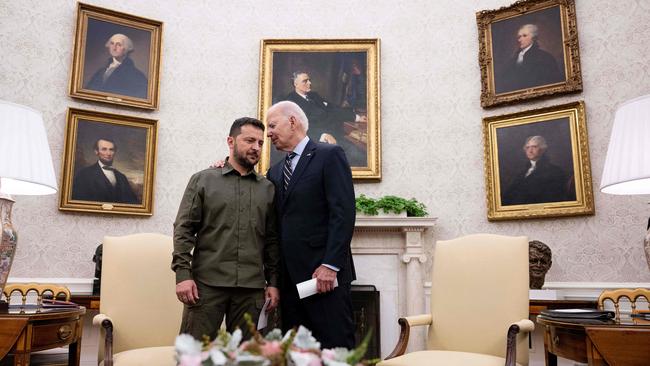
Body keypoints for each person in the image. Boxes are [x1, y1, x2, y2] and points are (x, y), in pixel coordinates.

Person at [172, 117, 280, 341]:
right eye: (249, 140)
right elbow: (184, 229)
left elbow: (272, 240)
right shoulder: (203, 180)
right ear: (230, 141)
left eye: (260, 143)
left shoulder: (268, 189)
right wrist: (183, 275)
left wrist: (274, 283)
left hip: (252, 290)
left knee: (247, 358)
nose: (256, 148)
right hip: (206, 286)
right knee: (195, 355)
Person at [266, 101, 356, 349]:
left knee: (335, 348)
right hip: (290, 283)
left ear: (292, 121)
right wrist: (224, 166)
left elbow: (343, 212)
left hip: (324, 277)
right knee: (298, 352)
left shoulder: (329, 155)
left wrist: (331, 264)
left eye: (272, 125)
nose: (268, 133)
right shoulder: (274, 172)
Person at [285, 71, 367, 147]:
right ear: (296, 84)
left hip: (336, 133)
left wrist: (356, 117)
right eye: (305, 81)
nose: (310, 83)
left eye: (309, 80)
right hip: (317, 140)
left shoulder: (313, 95)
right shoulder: (290, 102)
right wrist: (322, 135)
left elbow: (332, 108)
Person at [501, 135, 570, 206]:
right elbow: (509, 195)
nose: (530, 151)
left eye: (534, 147)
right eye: (527, 147)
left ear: (543, 149)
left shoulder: (555, 171)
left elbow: (552, 199)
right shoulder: (521, 173)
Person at [497, 24, 564, 93]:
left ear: (533, 38)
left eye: (524, 36)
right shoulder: (514, 59)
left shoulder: (544, 57)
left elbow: (552, 82)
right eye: (519, 37)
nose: (520, 39)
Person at [71, 138, 139, 204]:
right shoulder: (83, 174)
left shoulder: (122, 177)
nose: (108, 153)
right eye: (104, 149)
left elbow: (133, 203)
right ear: (96, 152)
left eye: (111, 150)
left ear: (114, 152)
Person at [85, 33, 148, 99]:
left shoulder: (135, 75)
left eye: (119, 45)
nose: (114, 48)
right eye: (112, 43)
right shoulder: (101, 72)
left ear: (126, 49)